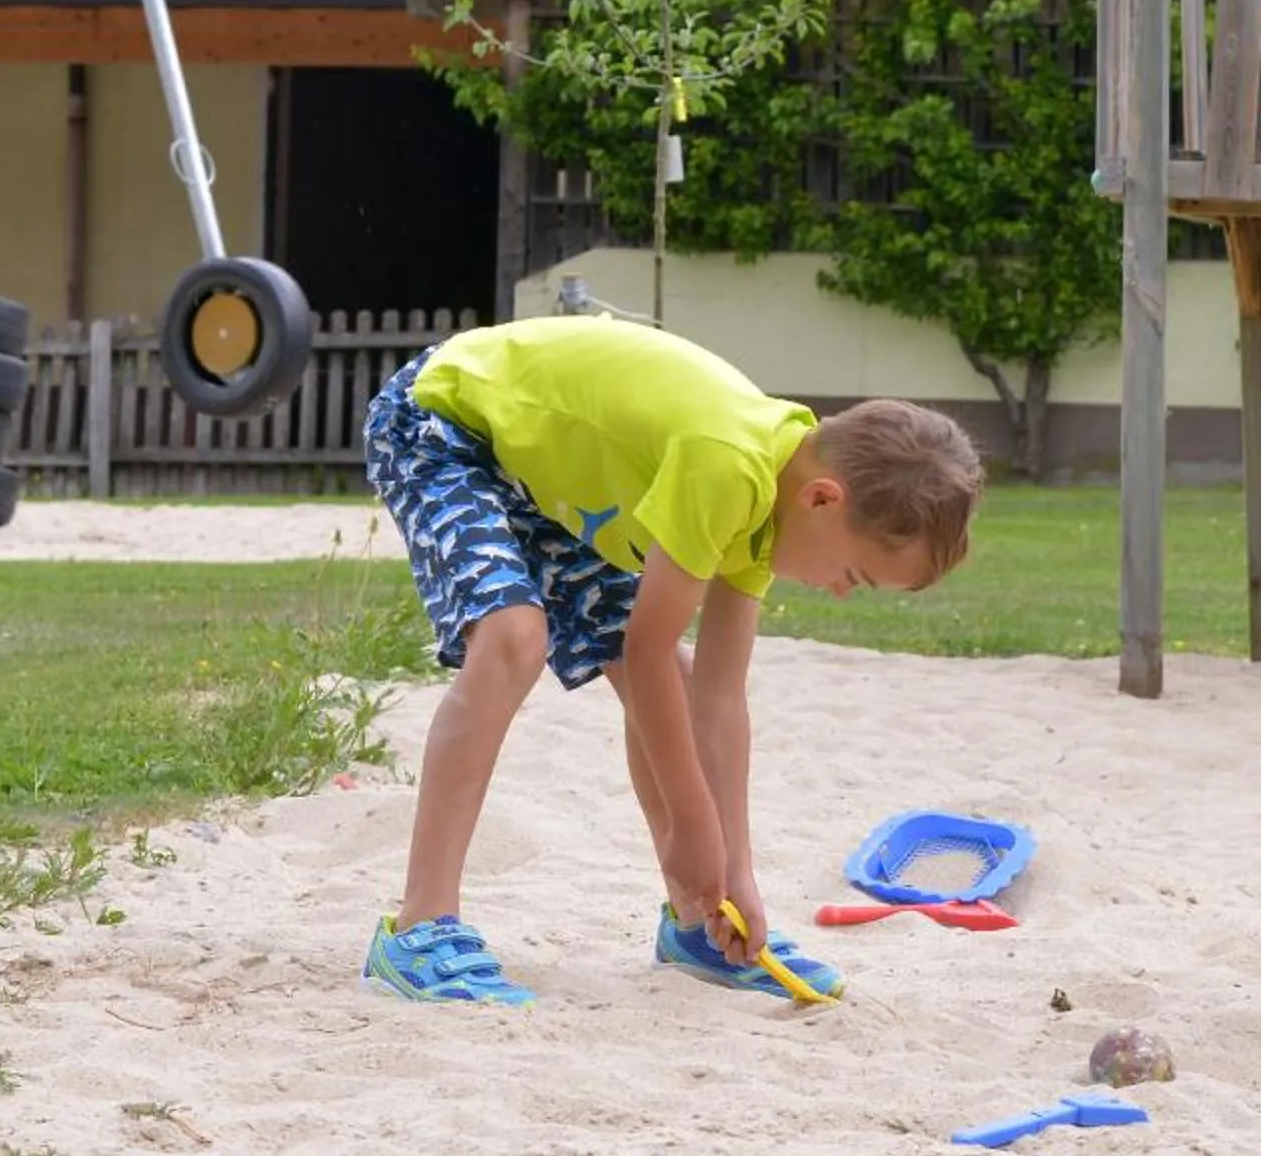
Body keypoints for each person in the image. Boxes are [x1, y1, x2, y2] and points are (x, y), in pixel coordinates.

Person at [357, 314, 984, 1006]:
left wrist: (734, 872)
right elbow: (645, 650)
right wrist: (692, 827)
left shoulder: (778, 500)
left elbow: (718, 698)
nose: (837, 591)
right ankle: (419, 927)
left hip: (535, 470)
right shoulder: (729, 464)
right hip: (444, 420)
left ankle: (698, 926)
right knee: (513, 636)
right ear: (824, 499)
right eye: (853, 575)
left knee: (679, 690)